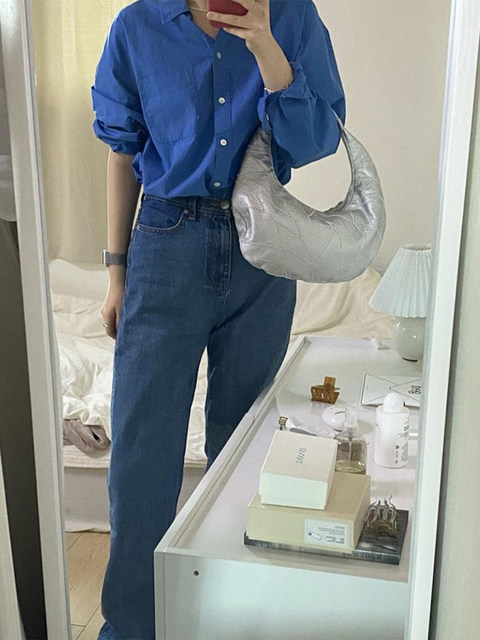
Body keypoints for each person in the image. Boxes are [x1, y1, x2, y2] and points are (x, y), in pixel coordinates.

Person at [91, 0, 345, 637]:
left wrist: (264, 44)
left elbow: (315, 140)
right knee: (142, 450)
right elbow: (122, 152)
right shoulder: (138, 26)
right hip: (164, 243)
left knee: (244, 448)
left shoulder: (292, 17)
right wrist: (117, 273)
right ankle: (132, 627)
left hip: (264, 243)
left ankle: (228, 618)